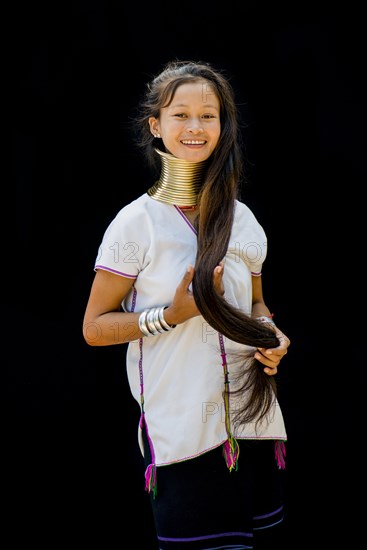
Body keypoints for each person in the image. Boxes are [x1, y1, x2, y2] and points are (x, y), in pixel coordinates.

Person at [82, 59, 291, 549]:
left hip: (255, 426)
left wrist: (273, 337)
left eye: (209, 115)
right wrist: (170, 316)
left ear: (223, 125)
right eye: (181, 115)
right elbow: (94, 327)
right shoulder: (137, 224)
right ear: (156, 126)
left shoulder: (243, 219)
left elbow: (259, 304)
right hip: (184, 434)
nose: (195, 127)